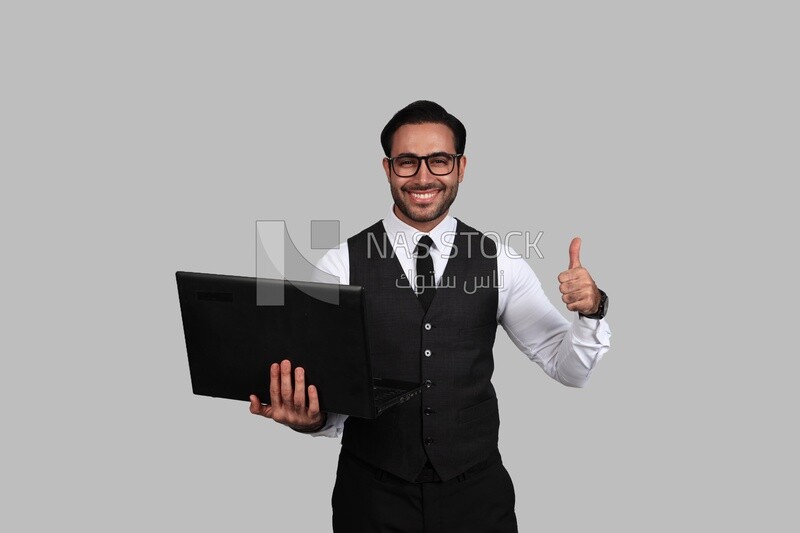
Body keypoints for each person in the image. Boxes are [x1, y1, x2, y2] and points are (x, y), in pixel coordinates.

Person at [248, 100, 611, 532]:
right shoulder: (339, 264)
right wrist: (312, 420)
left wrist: (592, 311)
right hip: (372, 498)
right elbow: (326, 392)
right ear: (387, 169)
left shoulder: (501, 262)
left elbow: (568, 369)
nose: (423, 177)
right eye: (407, 162)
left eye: (438, 161)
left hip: (477, 497)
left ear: (460, 167)